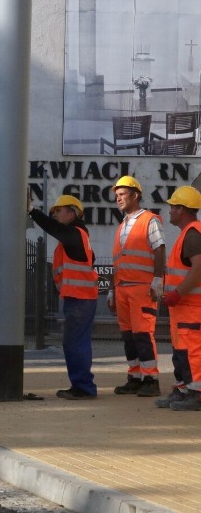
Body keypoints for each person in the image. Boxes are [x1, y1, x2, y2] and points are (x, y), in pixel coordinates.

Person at [28, 193, 98, 399]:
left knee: (76, 343)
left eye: (59, 211)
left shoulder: (75, 233)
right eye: (54, 212)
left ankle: (84, 387)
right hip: (80, 298)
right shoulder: (78, 237)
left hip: (80, 299)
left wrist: (33, 211)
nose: (56, 214)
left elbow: (54, 228)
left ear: (73, 213)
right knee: (75, 343)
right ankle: (81, 385)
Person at [108, 176, 166, 397]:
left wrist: (158, 279)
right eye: (117, 196)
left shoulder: (150, 220)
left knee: (142, 334)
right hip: (123, 287)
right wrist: (112, 290)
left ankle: (151, 378)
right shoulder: (122, 226)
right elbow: (117, 262)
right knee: (128, 335)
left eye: (122, 194)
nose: (118, 199)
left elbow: (160, 249)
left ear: (136, 195)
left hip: (142, 287)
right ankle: (135, 376)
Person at [159, 186, 201, 411]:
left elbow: (199, 268)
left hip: (191, 307)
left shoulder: (193, 234)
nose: (170, 211)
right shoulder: (188, 234)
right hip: (183, 308)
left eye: (173, 207)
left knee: (193, 351)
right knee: (182, 352)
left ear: (182, 209)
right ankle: (185, 389)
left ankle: (197, 394)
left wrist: (177, 293)